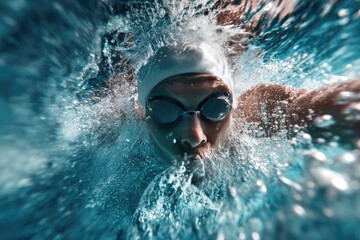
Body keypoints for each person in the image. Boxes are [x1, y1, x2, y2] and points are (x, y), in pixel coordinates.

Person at [135, 41, 360, 168]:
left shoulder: (254, 112)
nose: (195, 136)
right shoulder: (115, 136)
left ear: (233, 106)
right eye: (166, 111)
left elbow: (315, 105)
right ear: (141, 115)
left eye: (216, 107)